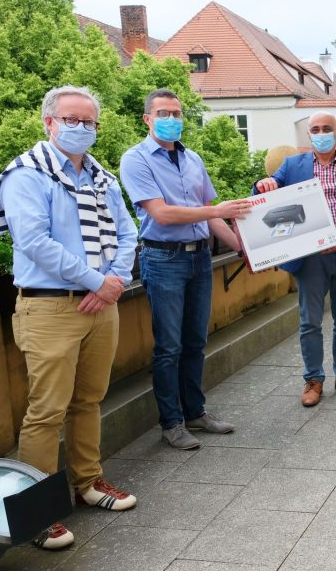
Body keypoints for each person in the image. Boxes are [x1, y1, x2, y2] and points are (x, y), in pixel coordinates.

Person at [0, 86, 139, 549]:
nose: (81, 129)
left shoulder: (102, 177)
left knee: (89, 400)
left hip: (101, 304)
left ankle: (88, 483)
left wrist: (111, 281)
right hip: (50, 306)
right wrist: (100, 282)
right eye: (71, 120)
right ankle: (36, 513)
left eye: (89, 122)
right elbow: (34, 242)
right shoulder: (26, 174)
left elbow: (128, 231)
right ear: (49, 123)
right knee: (46, 412)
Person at [119, 89, 251, 450]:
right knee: (169, 346)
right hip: (163, 258)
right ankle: (172, 423)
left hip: (199, 258)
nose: (172, 119)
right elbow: (161, 213)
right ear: (147, 118)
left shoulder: (192, 158)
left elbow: (209, 212)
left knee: (196, 341)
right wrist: (217, 212)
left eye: (177, 113)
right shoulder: (135, 159)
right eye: (164, 113)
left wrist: (245, 249)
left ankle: (195, 411)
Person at [255, 111, 336, 407]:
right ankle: (313, 380)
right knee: (310, 322)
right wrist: (264, 183)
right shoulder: (291, 166)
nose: (321, 133)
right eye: (315, 129)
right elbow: (266, 194)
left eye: (327, 129)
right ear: (309, 135)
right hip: (309, 258)